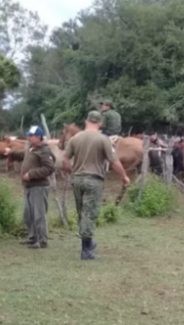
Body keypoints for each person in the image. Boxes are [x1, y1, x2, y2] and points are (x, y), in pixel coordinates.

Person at [63, 111, 130, 260]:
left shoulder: (75, 138)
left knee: (82, 212)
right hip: (93, 180)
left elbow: (65, 160)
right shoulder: (103, 139)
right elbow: (113, 161)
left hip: (77, 179)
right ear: (100, 123)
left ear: (86, 121)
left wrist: (71, 172)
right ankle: (86, 250)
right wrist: (124, 176)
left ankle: (88, 242)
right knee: (90, 213)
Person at [20, 126, 56, 249]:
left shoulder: (44, 150)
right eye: (28, 135)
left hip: (39, 186)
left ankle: (42, 240)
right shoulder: (32, 149)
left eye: (31, 135)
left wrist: (31, 174)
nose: (28, 137)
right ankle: (32, 237)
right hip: (30, 186)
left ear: (38, 137)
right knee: (28, 214)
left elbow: (49, 168)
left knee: (39, 214)